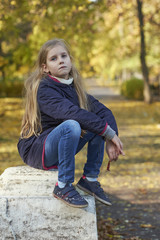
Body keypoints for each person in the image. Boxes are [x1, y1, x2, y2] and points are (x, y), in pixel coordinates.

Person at [17, 38, 125, 208]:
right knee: (73, 124)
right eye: (54, 58)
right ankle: (63, 185)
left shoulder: (74, 88)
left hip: (58, 144)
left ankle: (89, 179)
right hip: (37, 148)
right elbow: (72, 113)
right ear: (45, 68)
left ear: (70, 60)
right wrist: (108, 133)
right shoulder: (44, 89)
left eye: (64, 56)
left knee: (96, 124)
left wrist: (112, 139)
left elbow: (104, 112)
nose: (60, 60)